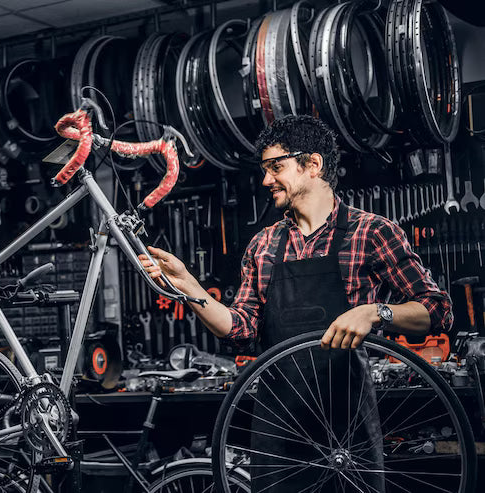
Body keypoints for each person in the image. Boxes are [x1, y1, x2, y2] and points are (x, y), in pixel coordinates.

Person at [140, 115, 453, 491]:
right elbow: (240, 331)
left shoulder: (372, 232)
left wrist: (376, 313)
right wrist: (187, 284)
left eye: (276, 167)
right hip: (278, 430)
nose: (265, 180)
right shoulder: (263, 245)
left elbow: (437, 310)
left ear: (313, 165)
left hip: (347, 427)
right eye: (264, 169)